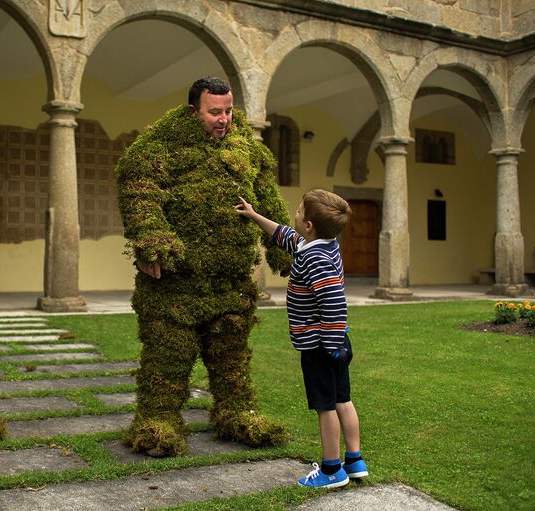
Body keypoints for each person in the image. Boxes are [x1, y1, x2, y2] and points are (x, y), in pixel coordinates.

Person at [115, 77, 293, 457]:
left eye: (228, 110)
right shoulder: (160, 145)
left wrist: (285, 247)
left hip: (229, 284)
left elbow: (267, 198)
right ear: (194, 109)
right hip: (176, 284)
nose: (224, 118)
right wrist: (153, 241)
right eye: (215, 111)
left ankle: (237, 413)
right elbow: (140, 191)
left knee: (231, 357)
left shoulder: (246, 146)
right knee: (168, 356)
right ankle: (158, 418)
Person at [235, 190, 368, 488]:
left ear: (308, 225)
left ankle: (332, 470)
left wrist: (330, 344)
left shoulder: (314, 258)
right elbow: (285, 236)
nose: (293, 214)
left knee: (326, 405)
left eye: (298, 210)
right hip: (335, 342)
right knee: (343, 399)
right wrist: (255, 216)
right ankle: (355, 460)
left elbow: (334, 303)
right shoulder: (322, 246)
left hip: (322, 346)